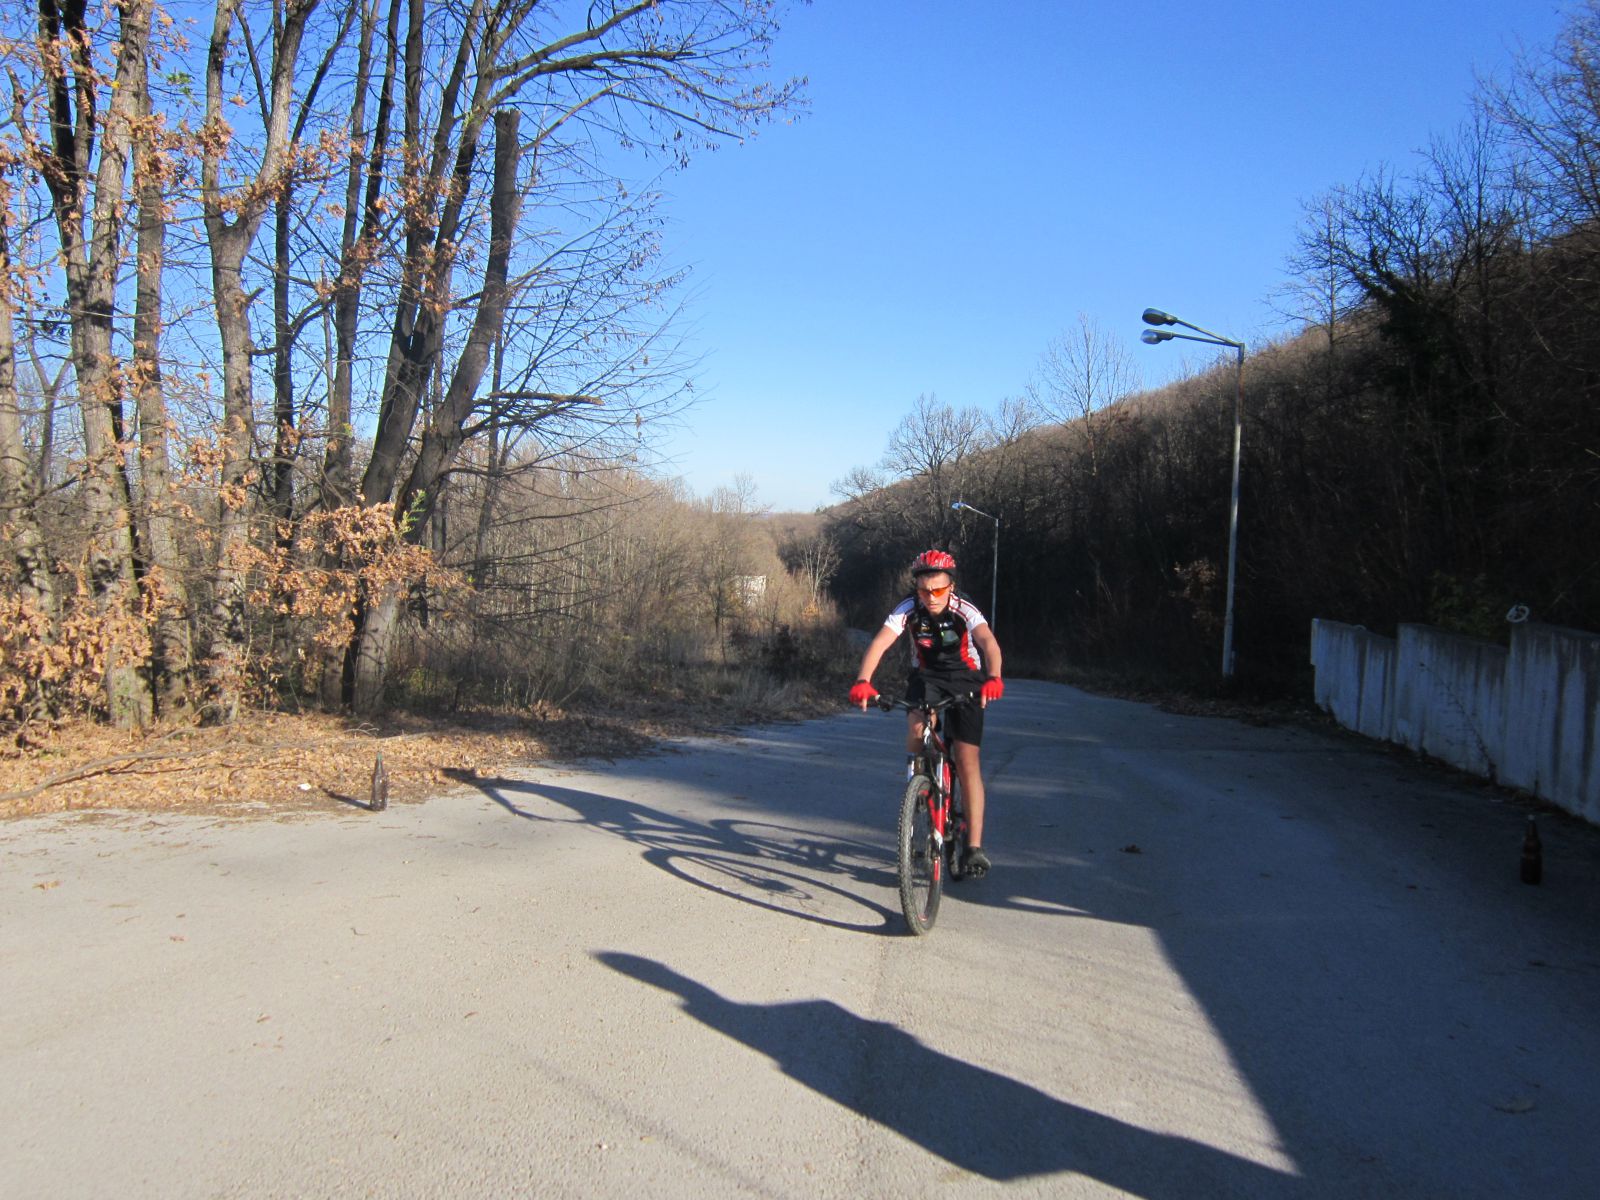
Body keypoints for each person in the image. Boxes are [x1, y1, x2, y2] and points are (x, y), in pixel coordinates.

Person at [848, 549, 1004, 877]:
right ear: (916, 588)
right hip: (927, 678)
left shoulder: (963, 608)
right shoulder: (909, 608)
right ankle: (918, 785)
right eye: (924, 590)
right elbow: (880, 642)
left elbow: (988, 642)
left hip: (966, 678)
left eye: (938, 589)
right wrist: (863, 680)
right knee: (917, 727)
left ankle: (974, 847)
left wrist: (994, 676)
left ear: (951, 586)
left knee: (967, 758)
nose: (931, 597)